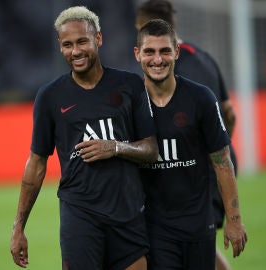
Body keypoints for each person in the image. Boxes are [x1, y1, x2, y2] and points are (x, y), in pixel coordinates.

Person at [10, 6, 158, 270]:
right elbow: (37, 161)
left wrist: (115, 147)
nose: (75, 51)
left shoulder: (130, 85)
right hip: (80, 214)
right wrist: (19, 226)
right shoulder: (50, 97)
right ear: (60, 46)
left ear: (98, 39)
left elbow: (150, 148)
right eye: (67, 45)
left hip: (127, 213)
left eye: (82, 42)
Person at [134, 19, 247, 270]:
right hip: (155, 229)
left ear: (176, 51)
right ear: (137, 54)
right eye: (149, 51)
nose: (157, 59)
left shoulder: (201, 98)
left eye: (165, 51)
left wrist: (234, 220)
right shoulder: (130, 104)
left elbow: (223, 162)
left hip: (199, 226)